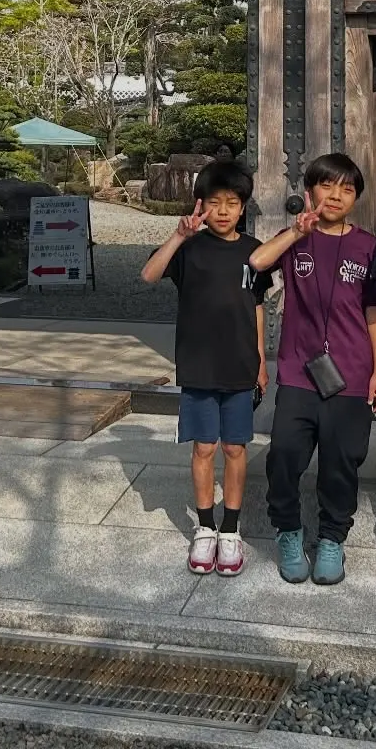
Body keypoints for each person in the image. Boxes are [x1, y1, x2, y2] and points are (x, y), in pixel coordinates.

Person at [249, 153, 376, 587]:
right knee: (284, 457)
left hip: (351, 373)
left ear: (355, 198)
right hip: (298, 371)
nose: (335, 195)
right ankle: (289, 532)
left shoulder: (368, 246)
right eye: (327, 186)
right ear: (310, 191)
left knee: (341, 461)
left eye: (346, 189)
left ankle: (332, 538)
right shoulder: (296, 239)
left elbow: (375, 311)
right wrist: (295, 231)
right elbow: (257, 263)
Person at [140, 158, 266, 577]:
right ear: (201, 205)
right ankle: (206, 527)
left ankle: (231, 530)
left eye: (233, 202)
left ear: (244, 206)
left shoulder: (254, 252)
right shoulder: (189, 249)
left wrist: (263, 362)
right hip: (198, 366)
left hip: (241, 364)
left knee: (234, 448)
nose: (225, 210)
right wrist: (177, 236)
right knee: (203, 448)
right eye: (216, 202)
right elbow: (148, 274)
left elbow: (259, 308)